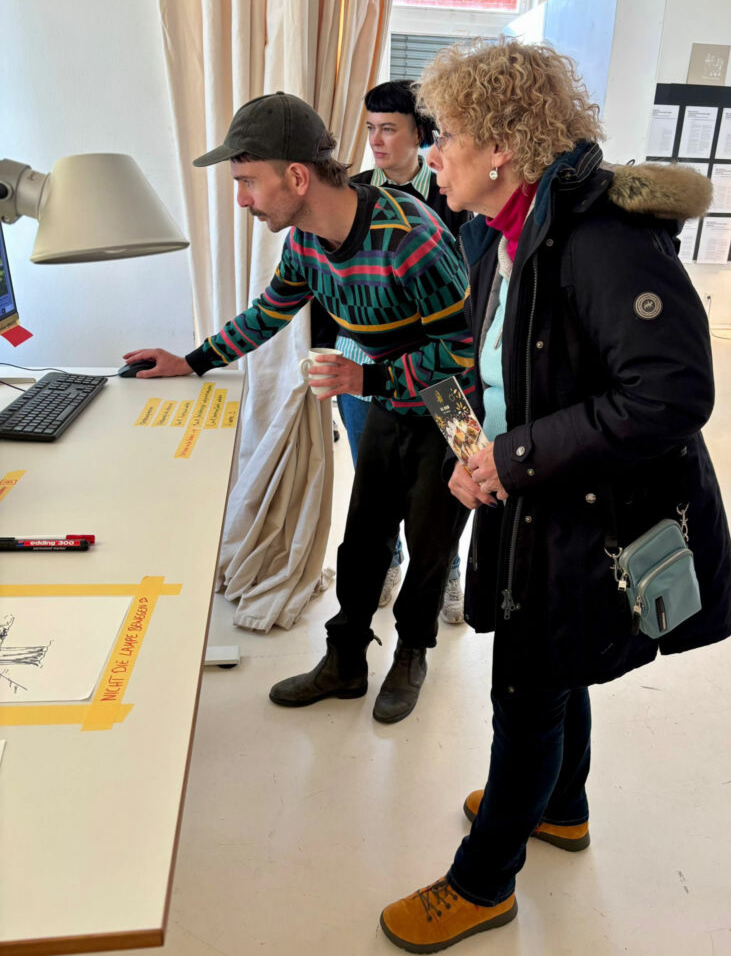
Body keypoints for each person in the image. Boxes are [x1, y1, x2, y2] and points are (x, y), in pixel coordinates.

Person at [378, 41, 731, 951]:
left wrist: (513, 457)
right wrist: (471, 449)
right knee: (553, 667)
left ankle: (484, 882)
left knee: (525, 689)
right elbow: (494, 367)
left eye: (447, 135)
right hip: (536, 494)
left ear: (502, 146)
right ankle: (562, 806)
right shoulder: (500, 233)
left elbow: (671, 394)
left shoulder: (601, 240)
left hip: (584, 513)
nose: (432, 153)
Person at [123, 91, 473, 724]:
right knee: (363, 540)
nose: (242, 199)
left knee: (430, 544)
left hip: (450, 408)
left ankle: (410, 656)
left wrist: (367, 378)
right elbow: (269, 312)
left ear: (297, 177)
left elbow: (461, 356)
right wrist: (193, 360)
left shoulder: (411, 236)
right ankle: (346, 662)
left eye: (248, 181)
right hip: (387, 394)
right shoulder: (307, 243)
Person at [340, 79, 473, 620]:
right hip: (363, 366)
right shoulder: (348, 193)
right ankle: (388, 562)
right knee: (371, 482)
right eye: (370, 128)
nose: (376, 140)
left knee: (454, 476)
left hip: (443, 368)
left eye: (389, 129)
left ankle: (447, 569)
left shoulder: (454, 191)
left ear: (419, 134)